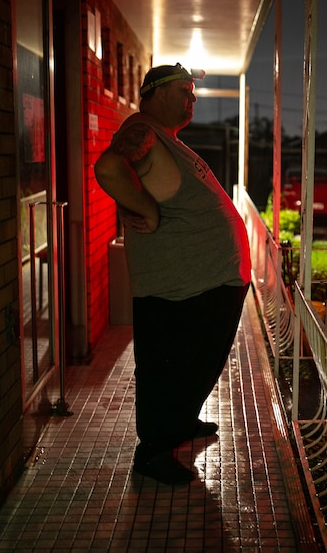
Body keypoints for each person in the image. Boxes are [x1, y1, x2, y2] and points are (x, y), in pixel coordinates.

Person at [94, 64, 251, 486]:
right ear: (155, 93)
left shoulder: (165, 139)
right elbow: (108, 168)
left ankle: (179, 422)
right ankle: (153, 452)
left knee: (195, 364)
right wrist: (144, 208)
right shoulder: (141, 130)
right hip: (177, 288)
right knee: (169, 368)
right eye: (184, 90)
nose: (193, 99)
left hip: (204, 284)